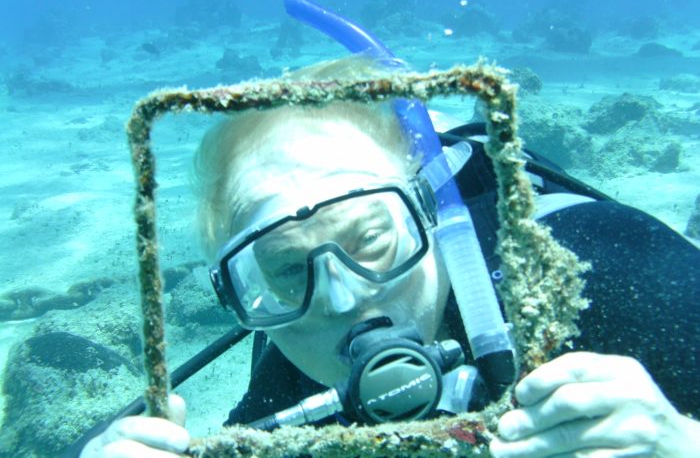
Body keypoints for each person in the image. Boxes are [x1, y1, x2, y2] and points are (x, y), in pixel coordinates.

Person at [80, 56, 700, 458]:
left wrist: (681, 440)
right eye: (289, 268)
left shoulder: (616, 268)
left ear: (431, 214)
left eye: (371, 238)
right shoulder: (288, 362)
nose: (343, 298)